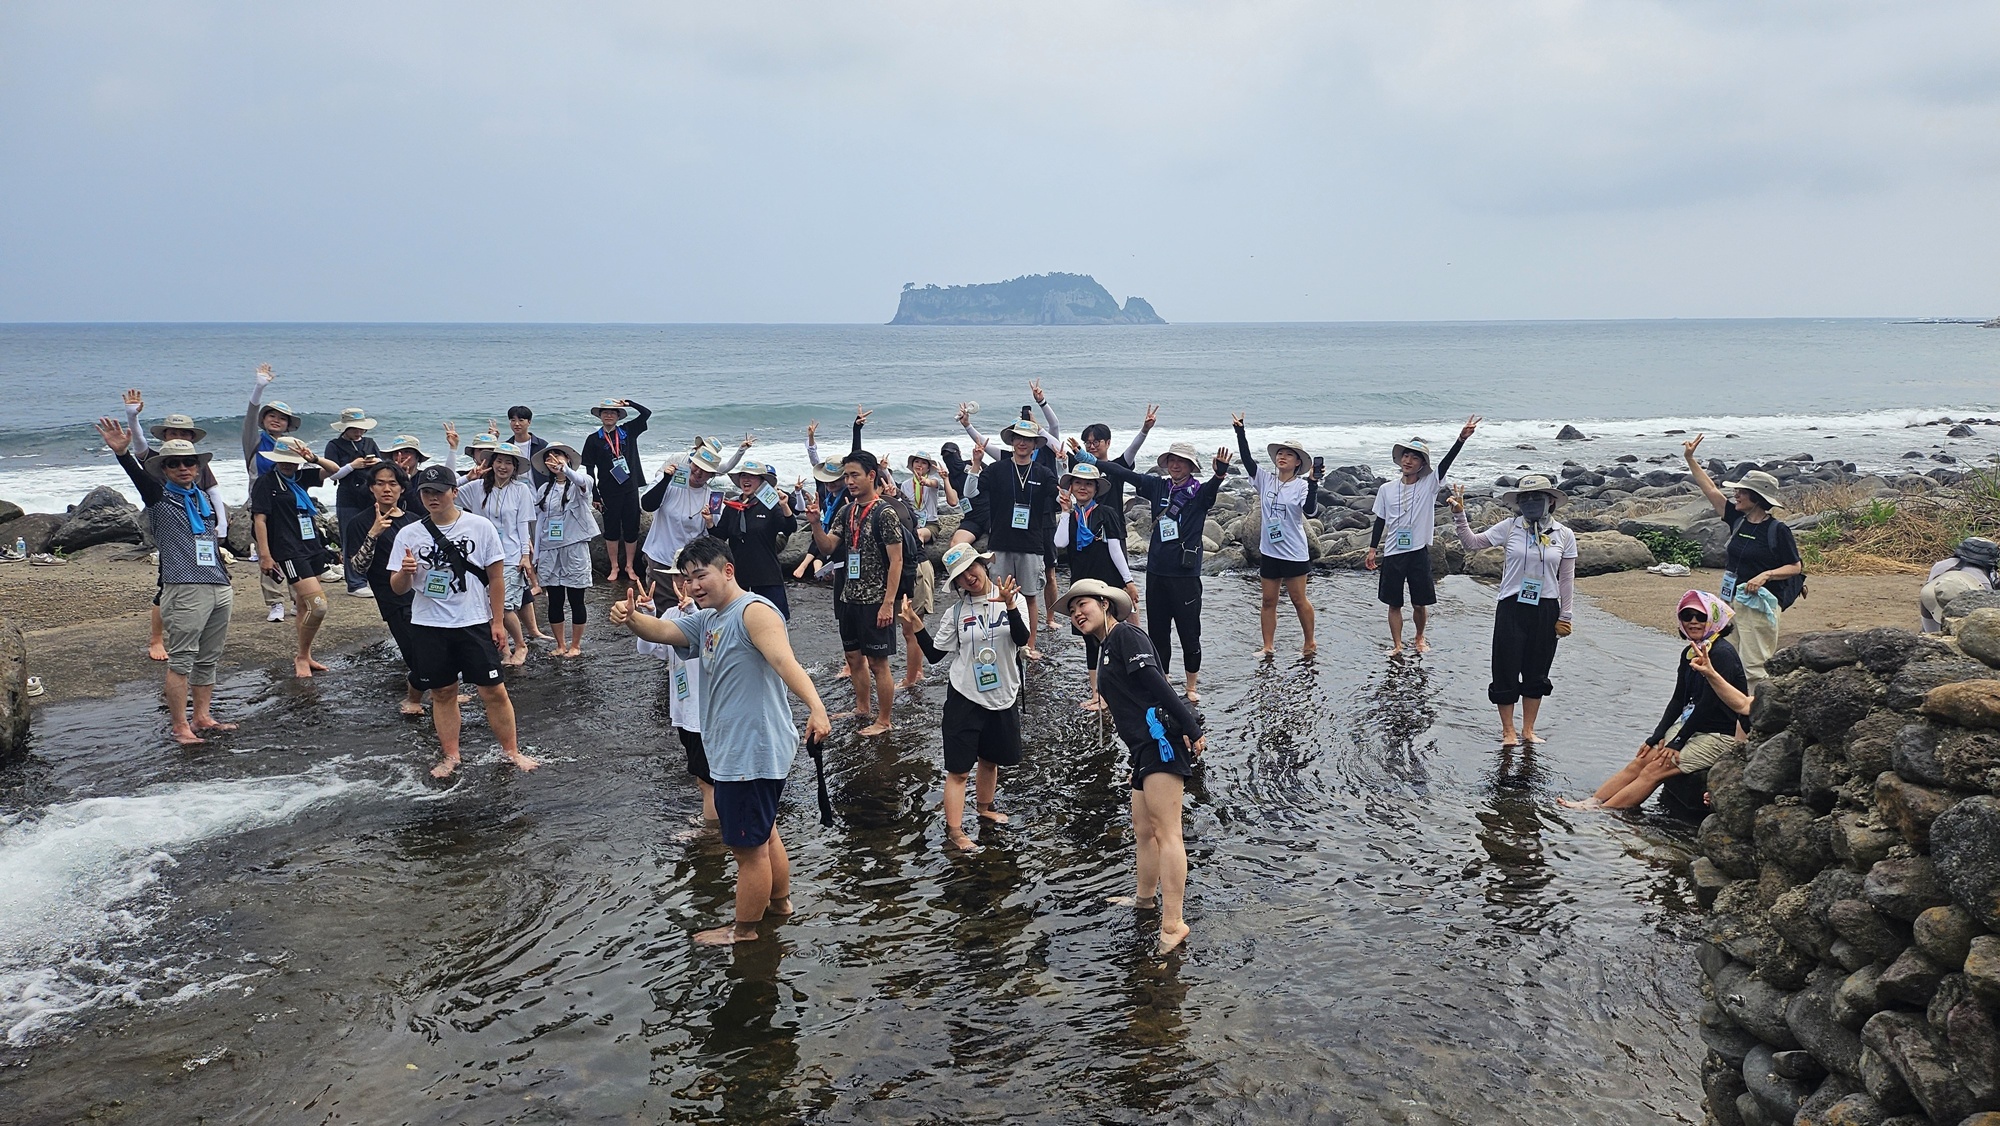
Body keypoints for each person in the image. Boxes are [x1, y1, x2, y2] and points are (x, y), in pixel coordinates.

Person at [610, 536, 833, 946]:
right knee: (766, 834)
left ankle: (744, 931)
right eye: (688, 578)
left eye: (701, 575)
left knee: (748, 852)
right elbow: (663, 630)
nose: (694, 585)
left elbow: (785, 661)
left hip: (750, 749)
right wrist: (630, 618)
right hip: (739, 747)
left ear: (727, 571)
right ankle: (781, 905)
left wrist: (817, 708)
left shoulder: (752, 613)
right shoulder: (709, 618)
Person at [1059, 578, 1205, 955]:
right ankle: (1144, 900)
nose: (1077, 613)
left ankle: (1173, 923)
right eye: (1072, 609)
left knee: (1167, 832)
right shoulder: (1107, 646)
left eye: (1084, 604)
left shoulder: (1126, 635)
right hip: (1142, 751)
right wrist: (1134, 760)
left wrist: (1190, 726)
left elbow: (1156, 684)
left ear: (1106, 604)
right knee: (1143, 830)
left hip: (1162, 745)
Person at [389, 464, 541, 779]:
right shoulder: (409, 533)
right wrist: (405, 572)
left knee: (494, 690)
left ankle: (511, 751)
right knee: (443, 692)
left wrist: (497, 622)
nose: (433, 498)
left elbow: (496, 579)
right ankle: (452, 756)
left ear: (454, 492)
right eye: (426, 492)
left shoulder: (479, 527)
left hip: (473, 621)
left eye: (439, 491)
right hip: (429, 624)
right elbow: (398, 588)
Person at [96, 419, 237, 745]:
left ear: (198, 466)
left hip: (218, 585)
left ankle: (202, 716)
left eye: (189, 462)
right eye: (174, 463)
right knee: (183, 659)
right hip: (185, 587)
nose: (183, 468)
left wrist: (225, 577)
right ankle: (179, 726)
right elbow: (140, 479)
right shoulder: (160, 498)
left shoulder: (202, 499)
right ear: (165, 469)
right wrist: (123, 453)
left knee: (209, 658)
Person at [1561, 591, 1749, 812]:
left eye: (1700, 616)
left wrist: (1677, 741)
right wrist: (1657, 736)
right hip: (1693, 729)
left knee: (1655, 769)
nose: (1693, 622)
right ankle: (1593, 802)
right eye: (1687, 616)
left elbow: (1708, 705)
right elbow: (1679, 699)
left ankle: (1603, 814)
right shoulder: (1689, 652)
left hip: (1718, 736)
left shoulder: (1722, 654)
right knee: (1642, 759)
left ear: (1713, 619)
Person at [1080, 441, 1233, 704]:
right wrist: (1092, 461)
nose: (1175, 465)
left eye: (1181, 461)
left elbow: (1212, 489)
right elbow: (1124, 473)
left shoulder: (1199, 493)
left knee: (1189, 633)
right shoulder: (1158, 486)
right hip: (1157, 573)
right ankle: (1163, 680)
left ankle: (1191, 685)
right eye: (1172, 460)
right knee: (1159, 633)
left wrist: (1219, 475)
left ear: (1191, 466)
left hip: (1185, 576)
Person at [901, 544, 1030, 851]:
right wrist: (916, 625)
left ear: (983, 565)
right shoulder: (956, 613)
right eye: (960, 576)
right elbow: (934, 655)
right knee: (958, 770)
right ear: (956, 583)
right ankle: (956, 831)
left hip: (1004, 693)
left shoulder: (1015, 599)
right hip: (965, 696)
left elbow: (1022, 639)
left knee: (990, 760)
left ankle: (985, 809)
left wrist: (1010, 605)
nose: (969, 577)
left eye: (972, 568)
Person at [1448, 475, 1579, 747]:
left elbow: (1567, 578)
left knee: (1537, 669)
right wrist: (1460, 516)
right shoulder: (1510, 527)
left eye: (1537, 497)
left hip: (1546, 608)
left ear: (1551, 501)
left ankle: (1528, 730)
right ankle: (1508, 731)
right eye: (1525, 498)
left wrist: (1565, 615)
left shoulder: (1564, 534)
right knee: (1505, 667)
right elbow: (1472, 543)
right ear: (1518, 503)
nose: (1530, 502)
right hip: (1511, 606)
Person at [1683, 438, 1804, 682]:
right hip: (1731, 602)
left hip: (1759, 606)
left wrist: (1766, 575)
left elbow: (1795, 566)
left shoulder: (1777, 530)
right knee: (1726, 658)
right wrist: (1690, 459)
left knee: (1754, 666)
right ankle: (1731, 713)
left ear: (1757, 497)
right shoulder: (1737, 520)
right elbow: (1711, 491)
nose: (1735, 495)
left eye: (1741, 492)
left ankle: (1754, 715)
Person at [120, 390, 228, 663]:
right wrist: (131, 419)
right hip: (174, 543)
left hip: (203, 550)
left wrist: (222, 524)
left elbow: (213, 491)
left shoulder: (196, 478)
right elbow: (138, 449)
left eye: (185, 434)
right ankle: (157, 639)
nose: (182, 466)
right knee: (164, 589)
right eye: (173, 433)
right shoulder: (156, 464)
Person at [1365, 417, 1479, 656]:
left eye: (1414, 457)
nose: (1408, 460)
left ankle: (1419, 637)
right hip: (1394, 553)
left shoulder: (1429, 484)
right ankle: (1397, 644)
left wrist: (1461, 439)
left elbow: (1445, 464)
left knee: (1419, 602)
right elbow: (1380, 520)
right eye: (1406, 455)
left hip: (1417, 551)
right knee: (1394, 603)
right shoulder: (1386, 489)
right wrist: (1373, 549)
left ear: (1422, 464)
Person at [808, 451, 903, 736]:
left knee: (878, 662)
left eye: (854, 475)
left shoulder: (885, 512)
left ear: (871, 476)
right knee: (853, 659)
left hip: (875, 600)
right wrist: (815, 523)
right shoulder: (846, 511)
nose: (848, 481)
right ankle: (863, 708)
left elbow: (896, 561)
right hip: (849, 597)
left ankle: (884, 720)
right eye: (845, 476)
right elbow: (827, 547)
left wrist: (888, 603)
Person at [949, 415, 1060, 656]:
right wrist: (976, 464)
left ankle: (1029, 645)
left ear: (1035, 444)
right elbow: (970, 493)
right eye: (1018, 438)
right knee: (999, 595)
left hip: (1031, 544)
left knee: (1030, 596)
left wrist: (1062, 467)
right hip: (999, 542)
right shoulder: (998, 469)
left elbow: (1060, 495)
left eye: (1028, 439)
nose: (1022, 443)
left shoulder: (1042, 472)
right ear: (1012, 441)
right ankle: (1001, 642)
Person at [630, 563, 719, 831]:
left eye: (689, 578)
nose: (682, 583)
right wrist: (647, 616)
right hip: (683, 712)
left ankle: (712, 835)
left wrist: (692, 610)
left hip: (703, 714)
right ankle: (713, 823)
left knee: (708, 780)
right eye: (678, 577)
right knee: (701, 777)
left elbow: (710, 646)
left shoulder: (711, 614)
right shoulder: (670, 613)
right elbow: (647, 650)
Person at [250, 437, 341, 679]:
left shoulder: (301, 477)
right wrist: (265, 555)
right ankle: (301, 656)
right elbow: (260, 520)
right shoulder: (266, 482)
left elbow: (336, 471)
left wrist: (313, 458)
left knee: (303, 605)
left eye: (293, 461)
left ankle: (305, 654)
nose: (288, 465)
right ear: (276, 460)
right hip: (287, 550)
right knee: (318, 605)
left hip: (311, 546)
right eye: (283, 461)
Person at [1053, 462, 1139, 711]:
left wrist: (1128, 582)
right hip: (1081, 586)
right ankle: (1097, 692)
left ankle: (1118, 686)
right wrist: (1066, 512)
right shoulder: (1070, 515)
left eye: (1088, 484)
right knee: (1090, 639)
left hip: (1106, 585)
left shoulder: (1107, 513)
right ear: (1070, 487)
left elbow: (1115, 550)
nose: (1082, 487)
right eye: (1078, 483)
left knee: (1111, 637)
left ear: (1095, 489)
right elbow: (1060, 542)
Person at [1233, 416, 1321, 657]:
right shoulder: (1265, 480)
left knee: (1298, 600)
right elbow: (1248, 462)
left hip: (1294, 552)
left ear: (1297, 463)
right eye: (1280, 453)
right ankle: (1268, 646)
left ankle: (1310, 642)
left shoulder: (1301, 486)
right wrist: (1241, 433)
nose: (1282, 457)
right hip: (1269, 551)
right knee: (1268, 601)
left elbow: (1311, 510)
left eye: (1288, 455)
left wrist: (1313, 484)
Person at [346, 461, 427, 716]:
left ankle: (442, 693)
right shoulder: (360, 523)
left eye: (393, 483)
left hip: (424, 597)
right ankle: (413, 699)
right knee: (416, 653)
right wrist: (373, 534)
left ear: (402, 489)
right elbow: (357, 568)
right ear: (371, 488)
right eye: (380, 483)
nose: (386, 489)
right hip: (393, 600)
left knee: (434, 647)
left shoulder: (415, 521)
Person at [461, 441, 537, 667]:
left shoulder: (520, 490)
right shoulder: (476, 488)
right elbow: (445, 492)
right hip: (479, 557)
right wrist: (468, 477)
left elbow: (523, 524)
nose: (502, 467)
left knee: (503, 607)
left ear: (515, 467)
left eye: (508, 463)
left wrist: (525, 555)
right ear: (491, 463)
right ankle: (504, 650)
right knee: (487, 607)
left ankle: (521, 644)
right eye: (499, 461)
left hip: (510, 556)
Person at [240, 363, 302, 622]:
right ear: (264, 420)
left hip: (290, 504)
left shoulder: (292, 446)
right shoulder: (255, 441)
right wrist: (259, 386)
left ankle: (297, 599)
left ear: (288, 424)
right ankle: (275, 602)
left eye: (282, 418)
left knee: (296, 551)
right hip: (262, 504)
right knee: (267, 551)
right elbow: (250, 415)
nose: (276, 420)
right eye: (271, 416)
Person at [642, 439, 750, 584]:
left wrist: (710, 522)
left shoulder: (712, 498)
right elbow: (648, 505)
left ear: (712, 475)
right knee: (660, 603)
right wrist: (666, 479)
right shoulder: (667, 480)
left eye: (705, 471)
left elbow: (718, 535)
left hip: (693, 564)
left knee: (692, 604)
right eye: (696, 466)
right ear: (690, 462)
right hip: (661, 558)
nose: (699, 472)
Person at [532, 443, 597, 657]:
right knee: (555, 599)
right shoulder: (544, 490)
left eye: (558, 455)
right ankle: (560, 645)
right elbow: (541, 522)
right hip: (551, 550)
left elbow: (582, 482)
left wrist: (565, 470)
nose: (553, 460)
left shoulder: (581, 482)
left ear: (567, 459)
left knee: (577, 598)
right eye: (549, 458)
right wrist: (537, 554)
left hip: (574, 547)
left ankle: (576, 645)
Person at [580, 397, 652, 584]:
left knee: (631, 528)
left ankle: (629, 566)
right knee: (611, 530)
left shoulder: (628, 431)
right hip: (607, 491)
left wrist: (630, 403)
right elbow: (589, 470)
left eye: (613, 412)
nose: (609, 415)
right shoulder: (593, 439)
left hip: (630, 488)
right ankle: (614, 567)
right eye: (605, 412)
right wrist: (594, 495)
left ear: (619, 415)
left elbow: (646, 414)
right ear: (600, 416)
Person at [715, 458, 798, 617]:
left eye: (752, 476)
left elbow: (789, 528)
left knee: (775, 620)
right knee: (739, 621)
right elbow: (720, 535)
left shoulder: (770, 504)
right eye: (743, 476)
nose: (746, 479)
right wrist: (710, 523)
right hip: (739, 576)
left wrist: (785, 506)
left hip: (767, 575)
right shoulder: (732, 507)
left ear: (762, 481)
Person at [323, 407, 384, 597]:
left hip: (370, 495)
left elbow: (383, 466)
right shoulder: (334, 445)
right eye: (354, 428)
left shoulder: (369, 443)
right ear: (345, 428)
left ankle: (371, 578)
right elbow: (332, 474)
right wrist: (352, 466)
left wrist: (376, 464)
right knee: (350, 539)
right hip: (348, 496)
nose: (358, 431)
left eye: (361, 428)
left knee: (374, 537)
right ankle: (355, 583)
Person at [504, 406, 553, 639]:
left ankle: (537, 581)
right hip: (515, 506)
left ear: (529, 422)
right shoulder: (506, 447)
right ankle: (533, 582)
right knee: (525, 545)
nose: (517, 423)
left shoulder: (540, 445)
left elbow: (550, 470)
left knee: (537, 544)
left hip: (538, 503)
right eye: (513, 420)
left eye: (521, 420)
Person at [1921, 537, 2000, 633]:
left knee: (1929, 635)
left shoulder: (1939, 565)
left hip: (1934, 601)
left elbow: (1929, 586)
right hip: (1964, 610)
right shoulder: (1984, 581)